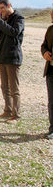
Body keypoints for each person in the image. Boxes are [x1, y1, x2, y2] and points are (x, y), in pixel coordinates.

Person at [0, 0, 24, 121]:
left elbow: (14, 32)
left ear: (9, 5)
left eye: (2, 8)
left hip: (13, 58)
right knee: (4, 87)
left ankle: (16, 114)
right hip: (3, 57)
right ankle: (7, 110)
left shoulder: (19, 18)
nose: (1, 11)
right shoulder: (4, 19)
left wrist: (0, 22)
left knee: (14, 89)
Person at [41, 9, 53, 139]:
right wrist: (44, 53)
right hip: (51, 71)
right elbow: (44, 45)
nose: (51, 16)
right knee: (52, 102)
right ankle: (52, 129)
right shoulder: (50, 30)